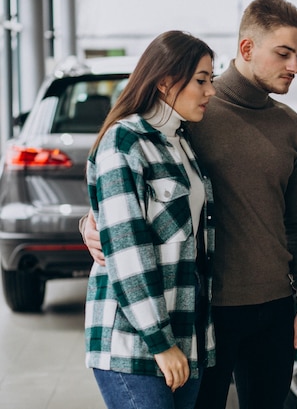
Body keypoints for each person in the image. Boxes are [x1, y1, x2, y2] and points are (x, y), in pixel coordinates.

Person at [81, 0, 297, 409]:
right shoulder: (190, 114)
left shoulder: (287, 124)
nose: (295, 67)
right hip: (207, 312)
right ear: (247, 48)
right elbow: (126, 194)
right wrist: (90, 223)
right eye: (284, 53)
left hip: (273, 307)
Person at [84, 30, 217, 409]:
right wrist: (161, 343)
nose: (210, 91)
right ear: (164, 82)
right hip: (132, 341)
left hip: (186, 335)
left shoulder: (182, 142)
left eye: (212, 80)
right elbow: (127, 252)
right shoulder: (123, 143)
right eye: (201, 81)